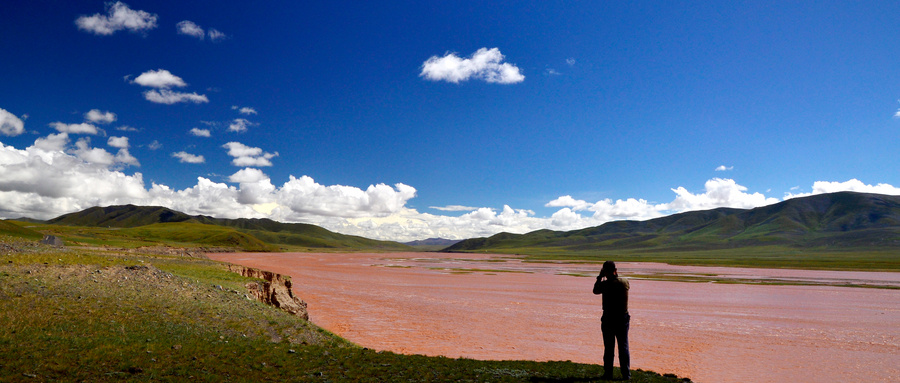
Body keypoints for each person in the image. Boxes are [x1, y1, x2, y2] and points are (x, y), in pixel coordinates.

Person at [593, 260, 630, 380]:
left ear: (605, 271)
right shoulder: (624, 282)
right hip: (622, 318)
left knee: (609, 347)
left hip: (609, 318)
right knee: (623, 346)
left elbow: (595, 291)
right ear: (615, 270)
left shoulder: (605, 284)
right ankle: (626, 374)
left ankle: (608, 373)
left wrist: (600, 277)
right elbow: (618, 281)